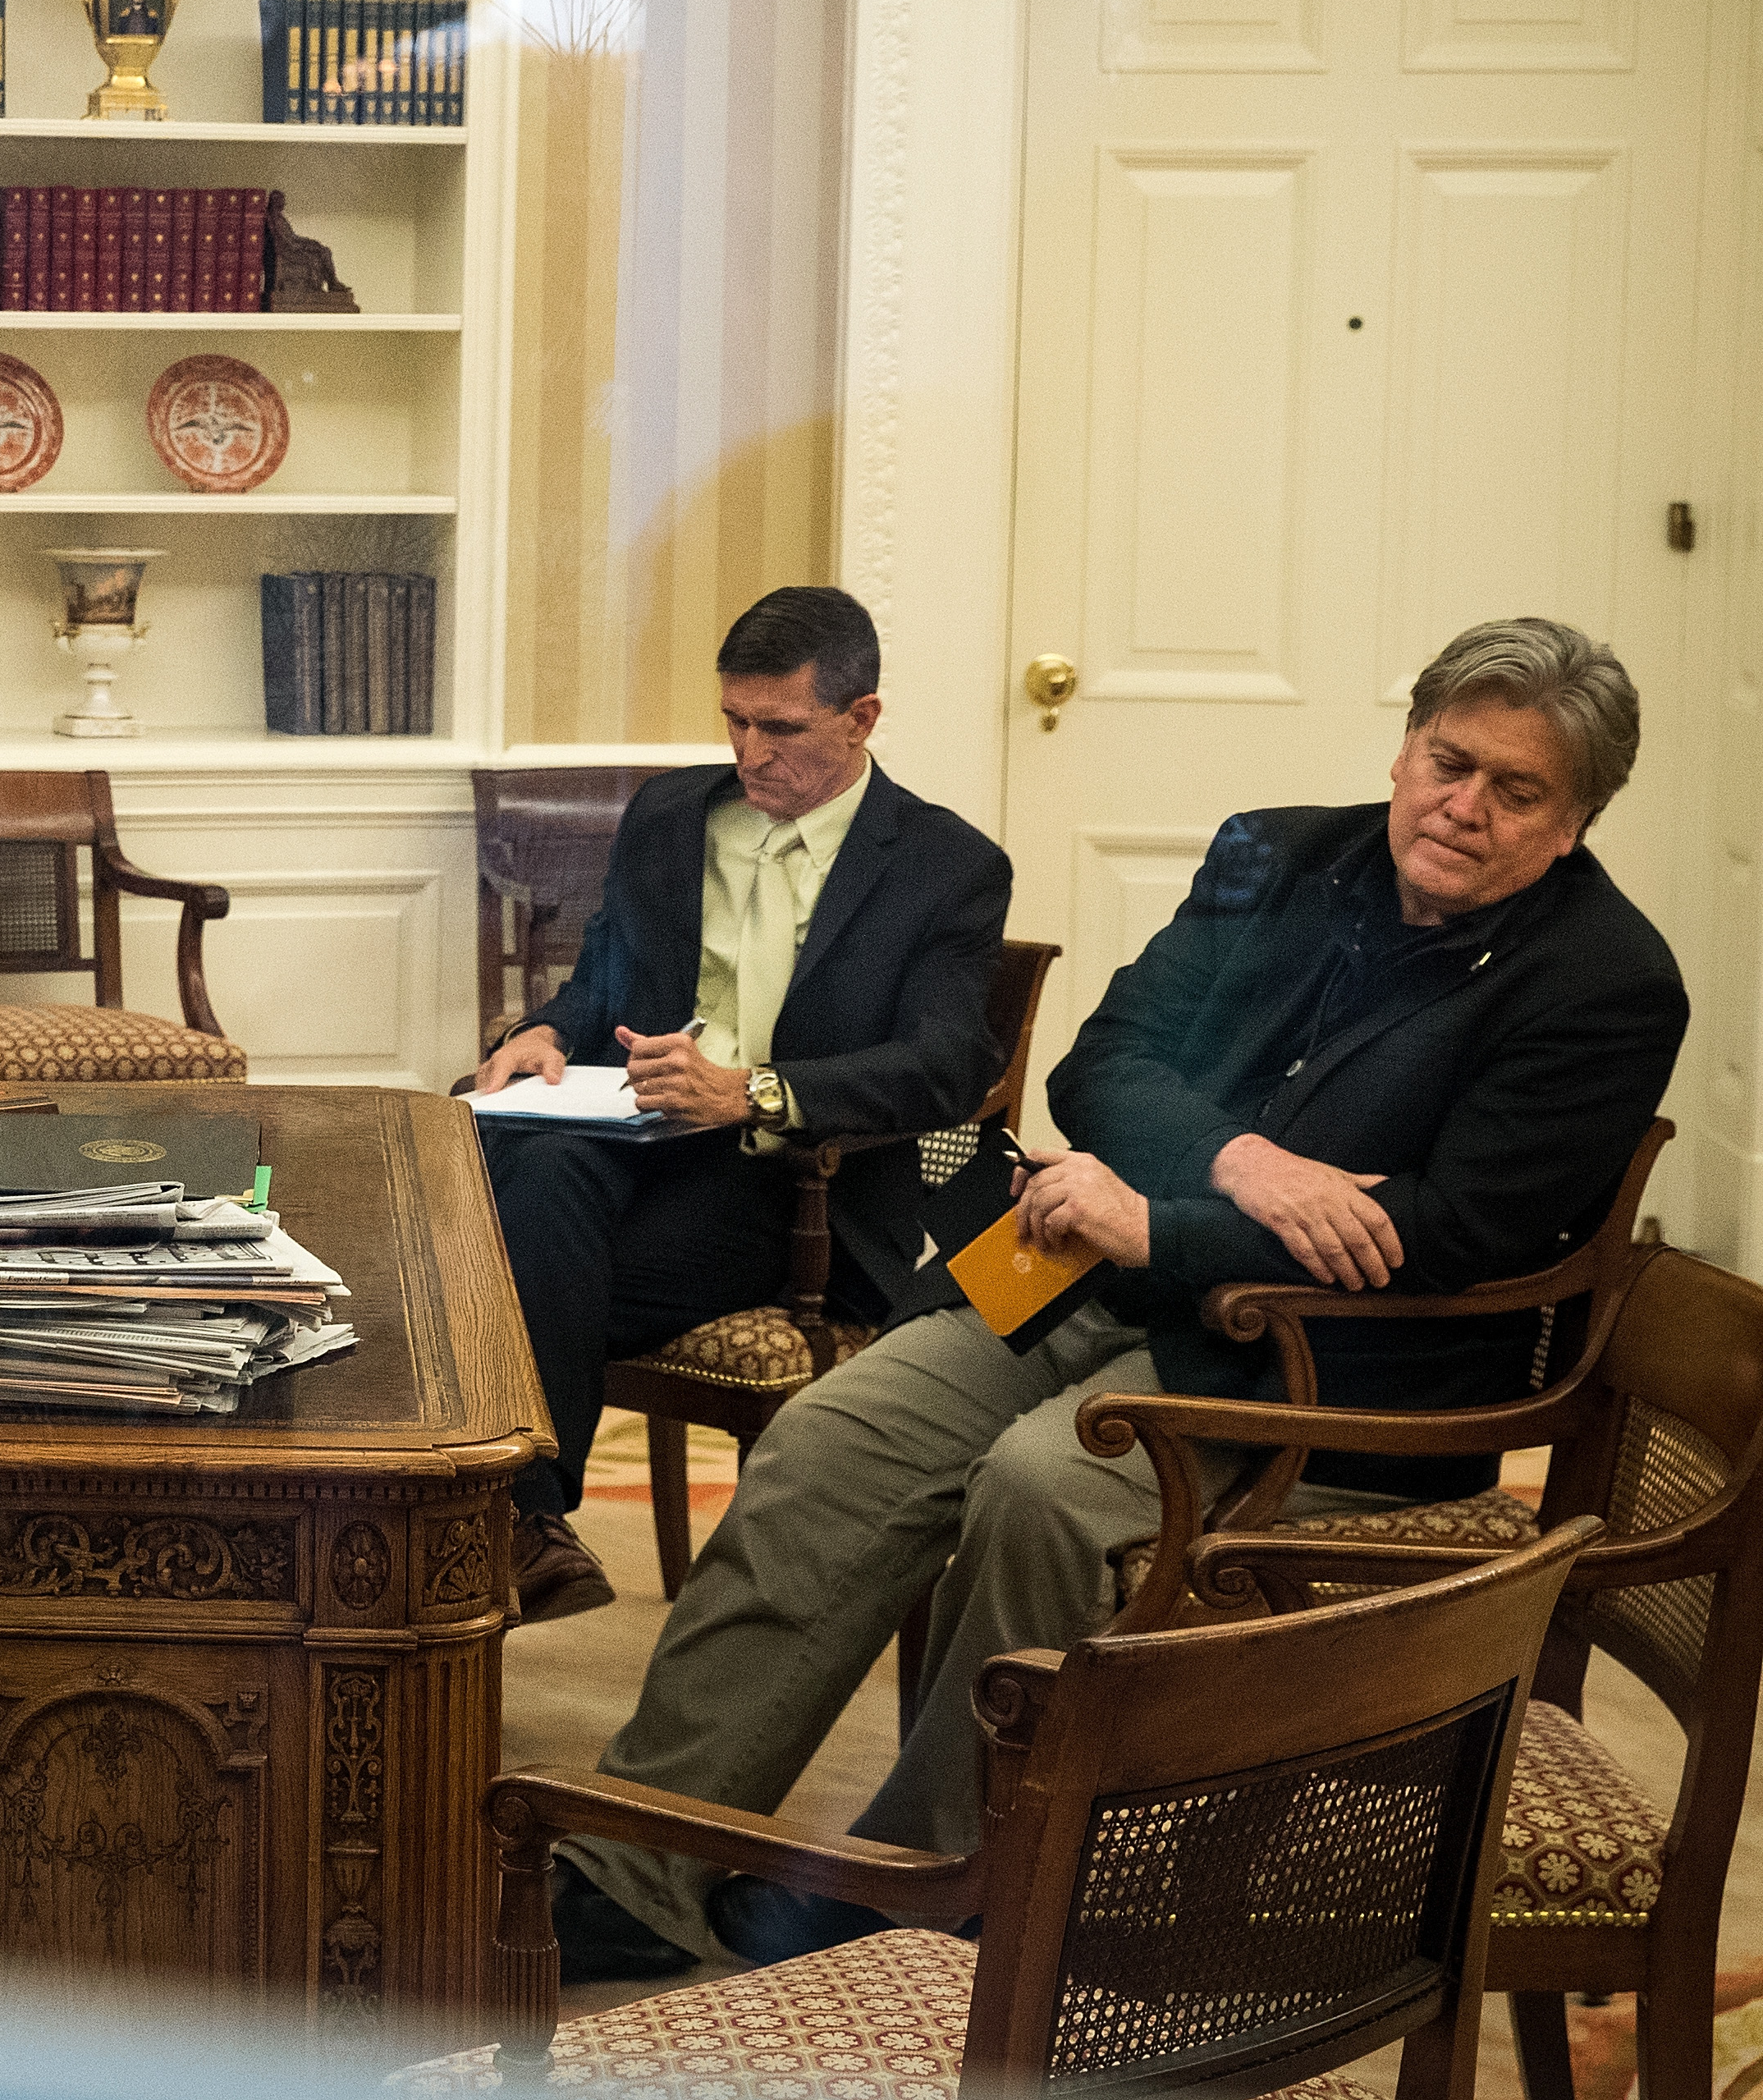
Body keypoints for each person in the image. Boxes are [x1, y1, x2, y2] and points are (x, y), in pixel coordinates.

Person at [556, 616, 1689, 1979]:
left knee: (1040, 1491)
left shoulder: (1607, 985)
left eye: (1516, 793)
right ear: (1404, 747)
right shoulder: (1274, 852)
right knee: (831, 1440)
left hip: (1337, 1373)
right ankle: (641, 1863)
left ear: (1572, 824)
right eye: (1449, 761)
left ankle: (933, 1887)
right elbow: (1106, 1066)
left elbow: (1444, 1234)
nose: (1463, 806)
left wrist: (1160, 1220)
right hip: (1088, 1275)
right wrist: (1243, 1164)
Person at [471, 586, 1014, 1621]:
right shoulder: (673, 813)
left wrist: (754, 1091)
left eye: (780, 727)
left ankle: (508, 1524)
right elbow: (600, 980)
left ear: (860, 718)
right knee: (527, 1172)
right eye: (733, 720)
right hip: (631, 1139)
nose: (750, 751)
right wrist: (539, 1031)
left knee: (486, 1278)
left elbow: (948, 1062)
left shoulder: (946, 866)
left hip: (793, 1178)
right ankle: (526, 1529)